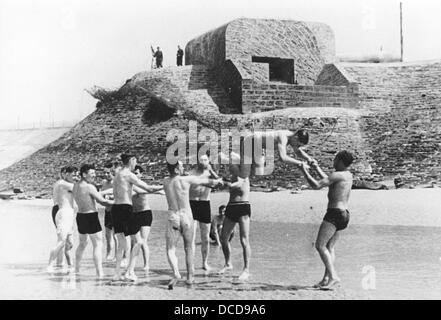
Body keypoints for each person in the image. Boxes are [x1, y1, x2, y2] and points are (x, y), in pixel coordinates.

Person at [299, 150, 354, 289]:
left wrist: (304, 171)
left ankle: (334, 276)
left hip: (334, 213)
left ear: (340, 161)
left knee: (320, 246)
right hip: (344, 214)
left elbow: (317, 185)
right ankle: (326, 279)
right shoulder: (347, 175)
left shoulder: (336, 175)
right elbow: (330, 181)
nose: (333, 162)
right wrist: (316, 168)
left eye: (335, 159)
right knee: (329, 247)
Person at [163, 160, 222, 287]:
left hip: (173, 216)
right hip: (187, 216)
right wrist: (220, 181)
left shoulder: (165, 181)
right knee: (188, 247)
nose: (183, 167)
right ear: (177, 169)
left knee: (170, 249)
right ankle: (190, 277)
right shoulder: (187, 180)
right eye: (181, 166)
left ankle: (176, 273)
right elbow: (209, 182)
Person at [111, 154, 159, 282]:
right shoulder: (128, 174)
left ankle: (117, 274)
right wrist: (166, 186)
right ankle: (130, 272)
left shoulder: (117, 174)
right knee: (138, 241)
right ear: (131, 161)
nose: (135, 163)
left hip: (115, 209)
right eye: (135, 160)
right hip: (125, 208)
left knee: (121, 243)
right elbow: (147, 188)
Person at [73, 164, 114, 278]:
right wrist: (118, 202)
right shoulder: (89, 187)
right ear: (84, 174)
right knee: (98, 244)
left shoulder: (75, 186)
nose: (94, 176)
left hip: (80, 216)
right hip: (91, 216)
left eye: (94, 173)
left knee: (82, 244)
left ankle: (76, 269)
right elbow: (102, 202)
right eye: (92, 174)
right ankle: (99, 273)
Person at [218, 153, 252, 281]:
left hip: (243, 206)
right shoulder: (231, 175)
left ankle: (246, 270)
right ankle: (228, 263)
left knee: (244, 240)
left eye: (231, 164)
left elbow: (237, 185)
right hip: (231, 206)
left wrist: (227, 185)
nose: (229, 166)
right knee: (223, 237)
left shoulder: (243, 174)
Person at [129, 165, 163, 275]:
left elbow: (145, 189)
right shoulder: (130, 185)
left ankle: (146, 264)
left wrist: (160, 190)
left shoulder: (142, 184)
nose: (135, 174)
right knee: (133, 241)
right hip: (134, 214)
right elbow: (139, 191)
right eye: (133, 172)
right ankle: (131, 264)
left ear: (140, 174)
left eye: (136, 173)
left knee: (143, 241)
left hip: (145, 214)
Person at [189, 154, 219, 271]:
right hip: (192, 203)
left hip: (205, 204)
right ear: (197, 161)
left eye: (205, 160)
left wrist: (212, 171)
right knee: (192, 237)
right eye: (201, 160)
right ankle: (190, 263)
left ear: (208, 161)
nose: (203, 161)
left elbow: (219, 183)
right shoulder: (192, 172)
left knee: (205, 237)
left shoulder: (210, 173)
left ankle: (204, 262)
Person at [240, 129, 311, 175]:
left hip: (259, 146)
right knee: (246, 171)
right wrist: (300, 163)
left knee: (259, 172)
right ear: (296, 137)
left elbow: (298, 152)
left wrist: (309, 159)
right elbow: (283, 157)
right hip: (250, 141)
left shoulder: (292, 138)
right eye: (298, 144)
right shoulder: (283, 137)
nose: (297, 147)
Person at [47, 166, 78, 272]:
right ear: (65, 174)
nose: (75, 177)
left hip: (66, 213)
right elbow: (79, 189)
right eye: (73, 174)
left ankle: (63, 265)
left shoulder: (65, 183)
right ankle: (50, 265)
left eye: (76, 174)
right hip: (62, 212)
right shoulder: (62, 183)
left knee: (69, 243)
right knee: (61, 241)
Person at [101, 163, 116, 261]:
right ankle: (108, 254)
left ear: (113, 172)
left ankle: (116, 256)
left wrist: (110, 197)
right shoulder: (104, 183)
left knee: (116, 236)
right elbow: (102, 197)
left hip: (116, 211)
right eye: (105, 173)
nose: (106, 175)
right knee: (107, 235)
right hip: (107, 211)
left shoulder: (116, 182)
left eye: (108, 173)